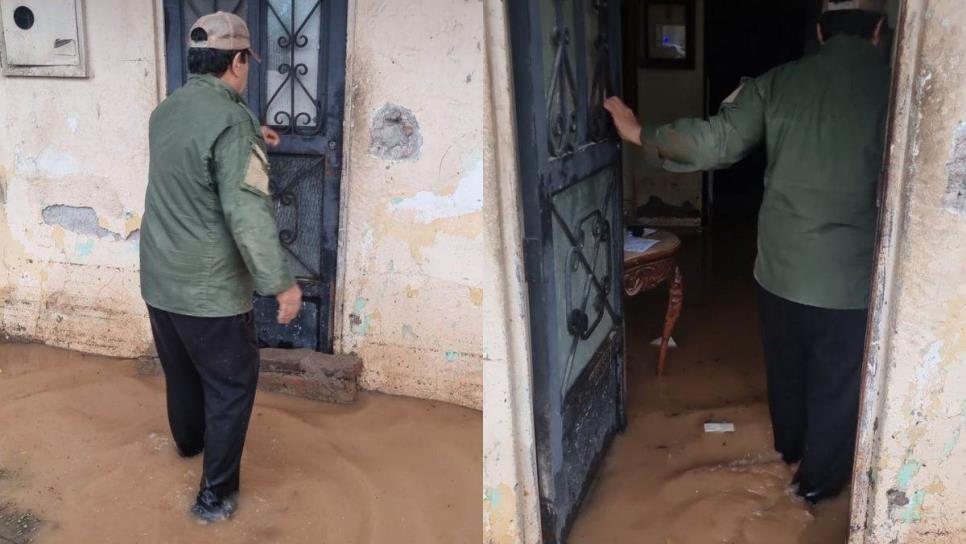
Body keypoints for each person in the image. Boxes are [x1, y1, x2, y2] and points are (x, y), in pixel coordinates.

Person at [604, 0, 891, 503]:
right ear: (880, 31)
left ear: (820, 32)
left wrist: (638, 132)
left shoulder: (777, 83)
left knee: (786, 371)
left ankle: (787, 455)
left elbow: (715, 142)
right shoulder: (900, 87)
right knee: (837, 386)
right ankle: (813, 498)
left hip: (781, 269)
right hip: (853, 279)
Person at [139, 11, 303, 522]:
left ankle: (187, 447)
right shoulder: (231, 124)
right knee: (231, 386)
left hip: (160, 280)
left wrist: (252, 132)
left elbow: (199, 147)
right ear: (237, 61)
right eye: (246, 62)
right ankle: (213, 501)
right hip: (208, 292)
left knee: (182, 374)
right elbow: (247, 211)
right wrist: (281, 284)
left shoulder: (166, 111)